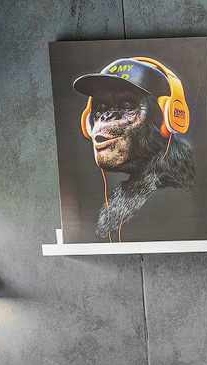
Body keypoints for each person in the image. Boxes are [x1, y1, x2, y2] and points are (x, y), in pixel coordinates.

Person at [73, 57, 195, 242]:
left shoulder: (171, 203)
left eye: (126, 106)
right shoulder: (136, 194)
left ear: (167, 119)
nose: (106, 117)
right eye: (100, 108)